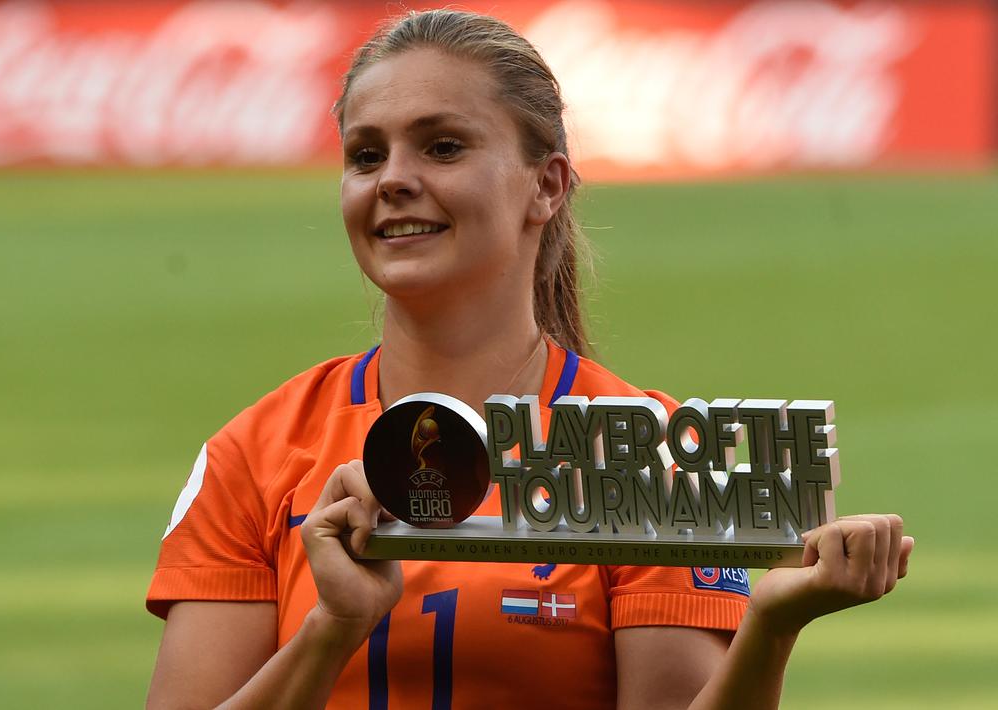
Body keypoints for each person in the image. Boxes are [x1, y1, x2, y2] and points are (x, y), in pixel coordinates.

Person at [144, 9, 913, 709]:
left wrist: (771, 627)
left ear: (544, 186)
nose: (394, 180)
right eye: (365, 155)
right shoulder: (256, 452)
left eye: (442, 147)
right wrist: (332, 628)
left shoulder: (647, 452)